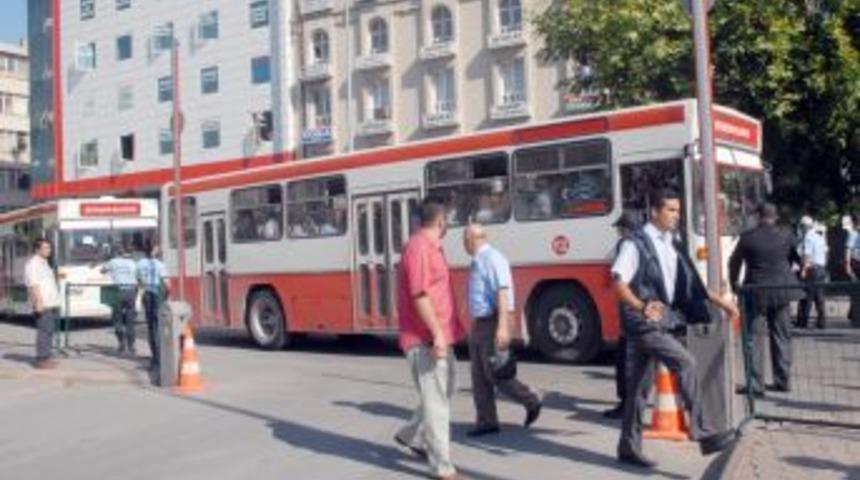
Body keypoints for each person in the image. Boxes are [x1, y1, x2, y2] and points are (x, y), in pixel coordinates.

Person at [612, 189, 738, 469]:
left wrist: (722, 302)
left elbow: (693, 284)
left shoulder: (673, 243)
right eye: (670, 210)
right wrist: (642, 306)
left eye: (678, 210)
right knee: (685, 362)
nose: (676, 216)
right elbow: (618, 283)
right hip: (643, 323)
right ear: (655, 212)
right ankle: (704, 432)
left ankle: (627, 447)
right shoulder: (635, 243)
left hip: (662, 320)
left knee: (638, 390)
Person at [394, 196, 466, 480]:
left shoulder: (432, 247)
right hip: (425, 339)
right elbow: (419, 294)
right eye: (448, 219)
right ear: (440, 220)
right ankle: (443, 468)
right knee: (437, 405)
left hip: (439, 336)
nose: (449, 224)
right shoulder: (419, 247)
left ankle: (410, 434)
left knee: (445, 389)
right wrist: (436, 334)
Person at [462, 223, 542, 437]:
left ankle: (531, 399)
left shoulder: (492, 259)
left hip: (493, 322)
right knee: (478, 376)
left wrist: (503, 327)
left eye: (465, 239)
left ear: (472, 239)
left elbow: (502, 293)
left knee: (496, 374)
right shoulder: (477, 261)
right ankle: (487, 421)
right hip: (480, 324)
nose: (463, 244)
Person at [729, 203, 803, 395]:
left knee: (753, 338)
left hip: (756, 290)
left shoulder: (747, 237)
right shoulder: (786, 234)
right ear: (775, 217)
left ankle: (755, 384)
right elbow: (798, 256)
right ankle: (783, 380)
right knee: (782, 335)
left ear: (757, 216)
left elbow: (734, 262)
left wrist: (734, 284)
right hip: (782, 290)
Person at [603, 210, 642, 419]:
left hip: (631, 311)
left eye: (620, 228)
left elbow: (616, 274)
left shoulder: (626, 245)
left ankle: (627, 405)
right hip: (645, 309)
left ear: (625, 229)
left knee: (626, 361)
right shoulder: (648, 242)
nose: (618, 232)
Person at [24, 238, 61, 369]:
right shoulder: (33, 264)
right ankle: (42, 359)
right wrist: (38, 302)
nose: (49, 250)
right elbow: (33, 284)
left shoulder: (44, 263)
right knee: (44, 331)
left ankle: (47, 356)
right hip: (42, 303)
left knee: (49, 330)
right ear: (37, 249)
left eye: (49, 248)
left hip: (50, 303)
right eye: (45, 248)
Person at [102, 244, 139, 356]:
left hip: (117, 291)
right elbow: (137, 275)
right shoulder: (133, 263)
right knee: (130, 319)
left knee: (117, 317)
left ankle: (121, 344)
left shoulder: (113, 262)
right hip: (131, 291)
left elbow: (102, 270)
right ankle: (131, 346)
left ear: (117, 253)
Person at [137, 241, 169, 370]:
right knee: (160, 325)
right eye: (157, 248)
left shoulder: (139, 264)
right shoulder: (160, 265)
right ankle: (162, 356)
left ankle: (155, 357)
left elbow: (138, 280)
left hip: (146, 295)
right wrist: (166, 297)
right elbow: (167, 285)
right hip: (157, 296)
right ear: (154, 250)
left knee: (151, 327)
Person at [797, 215, 829, 329]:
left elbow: (807, 255)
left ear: (804, 226)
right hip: (821, 268)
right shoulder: (819, 237)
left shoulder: (808, 237)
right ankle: (822, 322)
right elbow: (826, 251)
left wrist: (804, 269)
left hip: (812, 269)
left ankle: (803, 321)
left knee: (807, 296)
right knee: (819, 296)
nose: (801, 229)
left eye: (801, 226)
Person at [844, 215, 860, 326]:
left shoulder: (855, 233)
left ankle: (853, 315)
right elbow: (848, 249)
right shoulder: (854, 234)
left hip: (856, 263)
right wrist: (848, 265)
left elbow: (848, 249)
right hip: (856, 263)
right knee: (856, 291)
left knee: (856, 291)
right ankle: (854, 316)